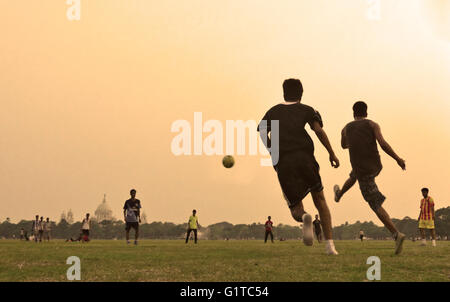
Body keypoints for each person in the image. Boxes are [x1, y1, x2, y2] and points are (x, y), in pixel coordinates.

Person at [258, 78, 340, 255]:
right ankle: (330, 246)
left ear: (284, 93)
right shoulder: (308, 110)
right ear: (301, 94)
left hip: (285, 161)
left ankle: (304, 217)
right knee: (320, 200)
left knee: (295, 207)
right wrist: (331, 153)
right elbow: (318, 130)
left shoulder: (273, 111)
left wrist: (272, 151)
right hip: (305, 159)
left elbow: (263, 131)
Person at [334, 101, 406, 254]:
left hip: (363, 170)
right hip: (374, 166)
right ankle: (339, 194)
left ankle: (396, 234)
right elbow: (383, 144)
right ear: (366, 113)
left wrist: (351, 140)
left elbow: (343, 146)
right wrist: (398, 159)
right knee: (354, 176)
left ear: (353, 113)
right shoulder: (373, 125)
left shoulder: (346, 128)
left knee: (374, 203)